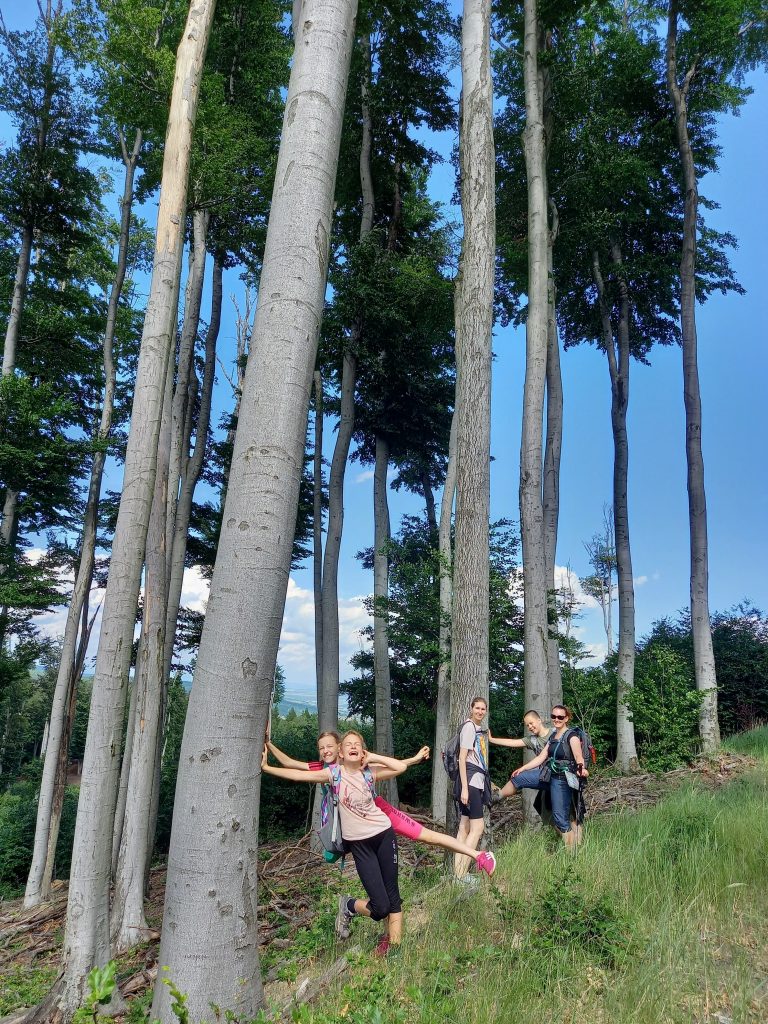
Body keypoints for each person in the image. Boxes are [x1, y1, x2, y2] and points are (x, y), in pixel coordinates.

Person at [266, 732, 496, 875]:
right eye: (321, 748)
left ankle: (477, 855)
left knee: (427, 836)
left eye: (330, 746)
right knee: (334, 854)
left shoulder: (362, 766)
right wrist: (268, 746)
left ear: (340, 748)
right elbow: (290, 765)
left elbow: (392, 767)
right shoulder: (324, 770)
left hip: (379, 813)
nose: (326, 751)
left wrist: (414, 759)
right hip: (351, 825)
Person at [262, 731, 405, 955]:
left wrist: (372, 756)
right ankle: (348, 905)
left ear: (362, 750)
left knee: (393, 898)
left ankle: (394, 951)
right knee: (380, 907)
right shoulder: (332, 774)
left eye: (357, 744)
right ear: (341, 752)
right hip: (359, 844)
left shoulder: (369, 772)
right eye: (349, 744)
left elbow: (400, 767)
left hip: (384, 835)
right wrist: (267, 767)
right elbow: (296, 774)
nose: (353, 746)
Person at [509, 705, 588, 848]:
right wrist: (523, 768)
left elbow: (578, 757)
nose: (556, 719)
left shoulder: (572, 736)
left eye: (560, 717)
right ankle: (573, 850)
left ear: (566, 718)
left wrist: (581, 769)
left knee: (563, 817)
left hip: (565, 779)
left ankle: (572, 853)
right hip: (553, 777)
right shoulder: (552, 737)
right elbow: (541, 757)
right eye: (554, 716)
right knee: (559, 817)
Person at [454, 696, 491, 881]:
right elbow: (462, 758)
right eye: (477, 708)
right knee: (478, 827)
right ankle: (461, 875)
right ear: (471, 708)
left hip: (473, 781)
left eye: (483, 709)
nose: (480, 712)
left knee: (464, 827)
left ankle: (458, 873)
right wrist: (465, 789)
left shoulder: (475, 728)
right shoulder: (469, 727)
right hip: (471, 782)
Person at [488, 709, 554, 800]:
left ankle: (497, 796)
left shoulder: (555, 733)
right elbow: (513, 742)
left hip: (558, 775)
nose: (530, 727)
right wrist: (491, 739)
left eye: (531, 723)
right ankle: (496, 797)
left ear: (539, 720)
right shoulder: (532, 740)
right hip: (545, 776)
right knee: (519, 778)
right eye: (527, 725)